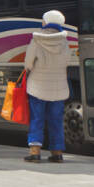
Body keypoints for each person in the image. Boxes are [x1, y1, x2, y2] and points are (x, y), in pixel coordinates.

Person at [23, 10, 70, 163]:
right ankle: (57, 153)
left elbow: (28, 63)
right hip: (59, 88)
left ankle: (35, 152)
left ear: (46, 22)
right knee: (56, 119)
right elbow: (67, 61)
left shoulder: (37, 40)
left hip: (38, 87)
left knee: (37, 119)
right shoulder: (64, 42)